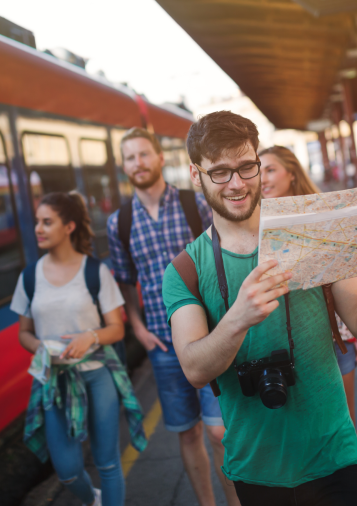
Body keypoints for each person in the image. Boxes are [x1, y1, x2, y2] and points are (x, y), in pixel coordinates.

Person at [163, 111, 357, 505]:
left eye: (247, 167)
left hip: (333, 455)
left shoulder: (309, 233)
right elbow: (194, 368)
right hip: (255, 466)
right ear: (196, 175)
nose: (238, 184)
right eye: (221, 173)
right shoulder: (185, 270)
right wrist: (238, 319)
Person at [106, 127, 240, 506]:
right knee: (187, 432)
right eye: (130, 157)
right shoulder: (120, 222)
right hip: (162, 344)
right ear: (123, 166)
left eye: (144, 154)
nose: (138, 163)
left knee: (219, 431)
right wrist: (137, 327)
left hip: (206, 331)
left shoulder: (192, 204)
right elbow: (126, 281)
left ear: (160, 158)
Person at [12, 192, 146, 506]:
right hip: (55, 381)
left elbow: (116, 328)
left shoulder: (95, 272)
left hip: (97, 375)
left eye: (47, 222)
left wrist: (90, 337)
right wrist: (41, 349)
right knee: (68, 472)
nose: (39, 229)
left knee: (109, 462)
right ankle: (93, 499)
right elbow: (24, 333)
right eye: (37, 222)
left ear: (69, 226)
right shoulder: (30, 277)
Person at [258, 145, 357, 425]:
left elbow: (349, 275)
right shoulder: (255, 223)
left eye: (270, 169)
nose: (262, 178)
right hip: (287, 343)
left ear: (291, 174)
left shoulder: (323, 215)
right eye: (258, 171)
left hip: (336, 338)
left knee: (343, 424)